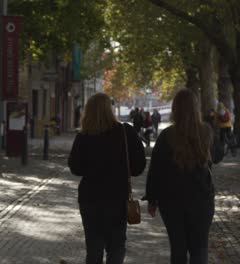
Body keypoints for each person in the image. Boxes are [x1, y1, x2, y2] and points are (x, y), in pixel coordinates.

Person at [68, 93, 146, 264]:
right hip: (117, 198)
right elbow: (139, 166)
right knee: (116, 246)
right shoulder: (125, 132)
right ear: (110, 110)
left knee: (94, 247)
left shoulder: (83, 136)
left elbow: (75, 168)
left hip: (90, 199)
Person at [145, 89, 215, 264]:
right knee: (199, 248)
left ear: (175, 109)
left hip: (172, 200)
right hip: (201, 199)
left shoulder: (167, 136)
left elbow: (155, 171)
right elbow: (218, 155)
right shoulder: (205, 132)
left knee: (178, 249)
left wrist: (152, 199)